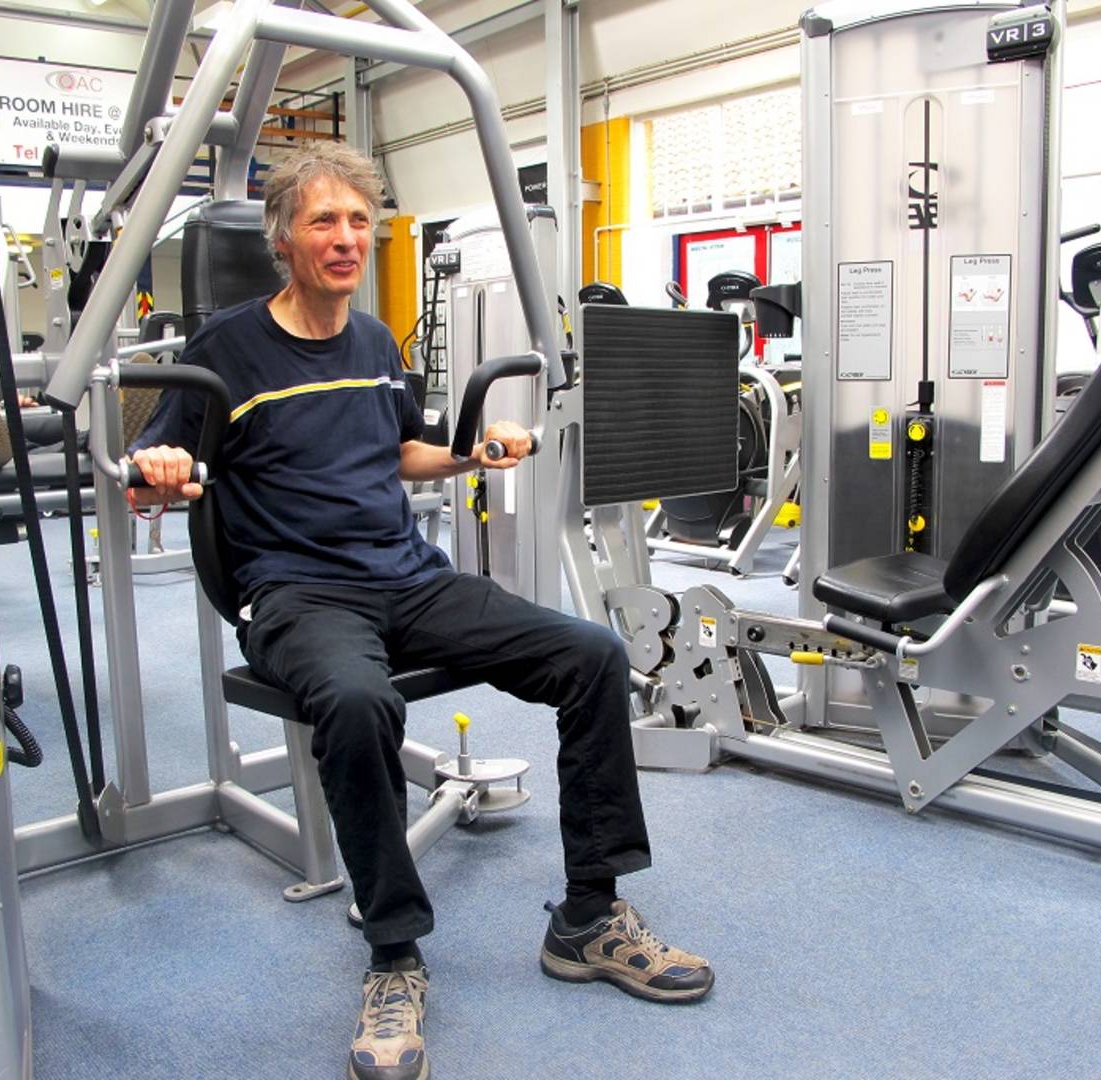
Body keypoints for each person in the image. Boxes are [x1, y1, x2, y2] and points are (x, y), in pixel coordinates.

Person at [129, 142, 712, 1080]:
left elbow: (401, 449)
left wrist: (470, 455)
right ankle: (394, 954)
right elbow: (161, 476)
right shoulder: (225, 349)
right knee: (360, 706)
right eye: (324, 220)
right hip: (296, 592)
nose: (346, 237)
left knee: (593, 654)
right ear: (285, 238)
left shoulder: (373, 341)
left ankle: (590, 917)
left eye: (360, 221)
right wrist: (156, 475)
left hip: (407, 577)